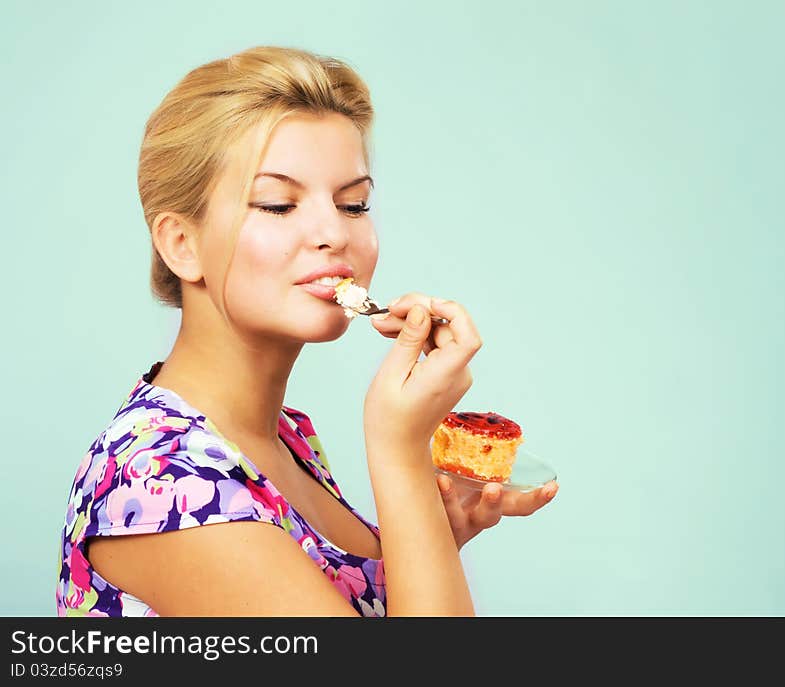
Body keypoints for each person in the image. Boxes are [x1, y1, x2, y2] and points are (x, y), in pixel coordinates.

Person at [56, 45, 558, 617]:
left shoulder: (280, 439)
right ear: (182, 245)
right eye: (276, 204)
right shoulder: (164, 482)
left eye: (353, 203)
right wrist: (399, 454)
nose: (332, 233)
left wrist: (429, 533)